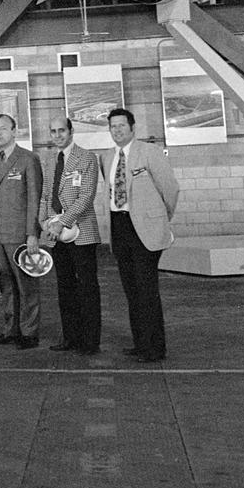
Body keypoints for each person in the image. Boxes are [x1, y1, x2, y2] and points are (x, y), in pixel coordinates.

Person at [102, 108, 178, 363]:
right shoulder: (107, 157)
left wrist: (160, 218)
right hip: (120, 226)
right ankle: (140, 342)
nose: (117, 130)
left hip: (145, 229)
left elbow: (170, 188)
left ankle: (155, 348)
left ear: (133, 128)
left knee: (147, 290)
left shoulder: (150, 152)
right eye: (113, 126)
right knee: (131, 289)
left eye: (122, 126)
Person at [40, 117, 102, 355]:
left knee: (87, 287)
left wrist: (62, 222)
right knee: (65, 287)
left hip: (81, 232)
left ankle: (90, 341)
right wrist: (45, 221)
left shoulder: (86, 158)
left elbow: (86, 197)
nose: (57, 135)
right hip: (56, 234)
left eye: (61, 131)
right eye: (53, 131)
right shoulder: (49, 160)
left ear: (71, 131)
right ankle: (70, 337)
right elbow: (46, 196)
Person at [0, 113, 44, 348]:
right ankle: (10, 329)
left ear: (14, 131)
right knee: (6, 284)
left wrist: (32, 233)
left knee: (26, 284)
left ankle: (29, 332)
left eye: (3, 129)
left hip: (20, 233)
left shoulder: (28, 159)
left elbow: (34, 199)